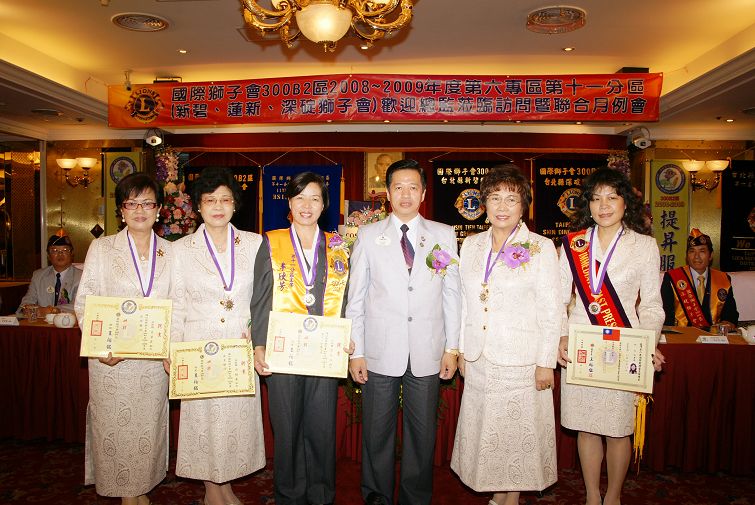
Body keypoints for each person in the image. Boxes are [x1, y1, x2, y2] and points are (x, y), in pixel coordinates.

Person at [346, 159, 461, 505]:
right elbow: (356, 297)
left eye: (413, 187)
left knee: (421, 435)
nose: (406, 194)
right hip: (379, 351)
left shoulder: (443, 234)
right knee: (376, 433)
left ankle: (415, 498)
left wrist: (452, 348)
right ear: (388, 193)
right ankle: (377, 496)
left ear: (424, 193)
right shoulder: (368, 236)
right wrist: (356, 351)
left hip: (427, 350)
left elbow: (452, 295)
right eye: (398, 187)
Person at [450, 164, 562, 505]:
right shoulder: (471, 245)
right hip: (479, 358)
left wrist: (546, 363)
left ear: (523, 205)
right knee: (489, 433)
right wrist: (461, 350)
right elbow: (465, 302)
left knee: (516, 435)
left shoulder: (541, 247)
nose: (502, 206)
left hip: (521, 360)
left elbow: (551, 308)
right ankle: (498, 495)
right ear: (483, 203)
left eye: (511, 199)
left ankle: (509, 499)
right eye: (495, 197)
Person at [557, 167, 666, 505]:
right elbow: (557, 300)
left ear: (625, 203)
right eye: (595, 198)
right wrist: (561, 337)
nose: (603, 206)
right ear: (587, 205)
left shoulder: (644, 246)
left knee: (619, 429)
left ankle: (614, 496)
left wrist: (647, 343)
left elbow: (652, 305)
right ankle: (592, 496)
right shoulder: (572, 245)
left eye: (611, 197)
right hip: (582, 347)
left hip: (625, 348)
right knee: (587, 426)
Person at [74, 173, 176, 505]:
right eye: (132, 203)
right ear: (121, 210)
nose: (140, 210)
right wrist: (103, 346)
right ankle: (127, 495)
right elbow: (84, 301)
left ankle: (139, 489)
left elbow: (179, 304)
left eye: (147, 203)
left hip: (152, 362)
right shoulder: (102, 248)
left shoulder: (172, 252)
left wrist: (173, 348)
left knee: (147, 428)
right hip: (112, 361)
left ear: (159, 210)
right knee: (115, 428)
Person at [251, 171, 351, 505]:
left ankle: (321, 495)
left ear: (324, 205)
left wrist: (348, 335)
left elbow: (347, 299)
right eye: (299, 198)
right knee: (287, 428)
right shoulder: (272, 242)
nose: (307, 206)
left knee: (322, 427)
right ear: (290, 203)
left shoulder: (338, 247)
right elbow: (261, 298)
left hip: (324, 352)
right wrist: (259, 344)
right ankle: (290, 495)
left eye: (314, 198)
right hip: (283, 351)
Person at [172, 167, 265, 505]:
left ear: (235, 204)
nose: (218, 207)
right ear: (198, 206)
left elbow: (264, 297)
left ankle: (224, 485)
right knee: (204, 419)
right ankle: (212, 490)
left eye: (225, 200)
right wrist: (172, 348)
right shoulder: (181, 249)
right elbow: (176, 302)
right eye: (210, 200)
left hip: (240, 343)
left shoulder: (255, 244)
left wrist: (258, 335)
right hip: (199, 345)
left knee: (233, 420)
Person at [661, 228, 739, 329]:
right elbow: (665, 314)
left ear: (710, 255)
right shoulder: (672, 277)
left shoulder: (723, 279)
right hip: (682, 335)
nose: (696, 256)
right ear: (687, 255)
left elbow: (731, 314)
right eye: (692, 251)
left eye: (702, 251)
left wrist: (727, 323)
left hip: (713, 336)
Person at [18, 234, 82, 317]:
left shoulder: (81, 277)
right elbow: (27, 301)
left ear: (72, 254)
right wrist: (27, 308)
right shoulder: (38, 276)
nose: (60, 254)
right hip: (41, 323)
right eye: (54, 250)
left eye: (65, 250)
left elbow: (79, 306)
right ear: (48, 255)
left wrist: (52, 311)